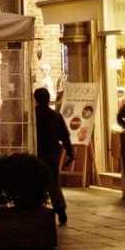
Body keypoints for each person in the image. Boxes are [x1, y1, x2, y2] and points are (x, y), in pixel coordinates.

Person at [34, 88, 74, 226]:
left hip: (37, 153)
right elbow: (65, 135)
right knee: (53, 184)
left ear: (35, 99)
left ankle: (36, 208)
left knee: (36, 182)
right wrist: (70, 152)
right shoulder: (56, 116)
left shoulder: (32, 116)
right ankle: (61, 211)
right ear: (48, 98)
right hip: (52, 153)